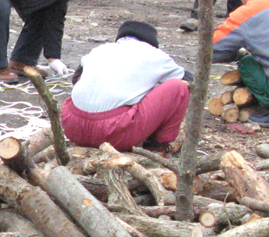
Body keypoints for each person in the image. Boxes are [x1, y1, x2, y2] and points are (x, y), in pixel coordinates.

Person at [61, 20, 190, 152]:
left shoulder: (100, 49)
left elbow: (75, 79)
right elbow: (188, 79)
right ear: (152, 42)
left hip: (73, 127)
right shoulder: (154, 54)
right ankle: (157, 145)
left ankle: (85, 139)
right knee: (178, 87)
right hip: (114, 134)